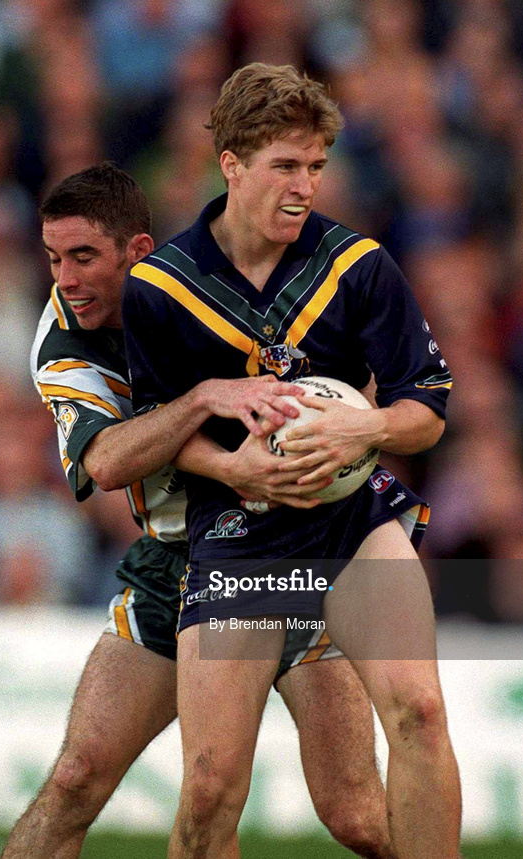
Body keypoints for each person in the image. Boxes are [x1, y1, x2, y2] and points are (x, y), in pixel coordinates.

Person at [1, 163, 395, 858]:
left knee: (357, 815)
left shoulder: (221, 288)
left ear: (139, 252)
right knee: (79, 778)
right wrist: (206, 401)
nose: (65, 278)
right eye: (54, 258)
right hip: (176, 562)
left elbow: (347, 373)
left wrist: (342, 421)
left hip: (289, 554)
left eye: (84, 257)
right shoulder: (63, 343)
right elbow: (105, 461)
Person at [122, 65, 462, 858]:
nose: (305, 185)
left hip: (351, 524)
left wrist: (365, 427)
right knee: (209, 794)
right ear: (232, 163)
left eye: (316, 166)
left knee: (421, 710)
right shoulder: (160, 288)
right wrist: (233, 469)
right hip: (238, 538)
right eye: (285, 165)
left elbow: (428, 408)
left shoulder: (358, 266)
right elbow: (156, 435)